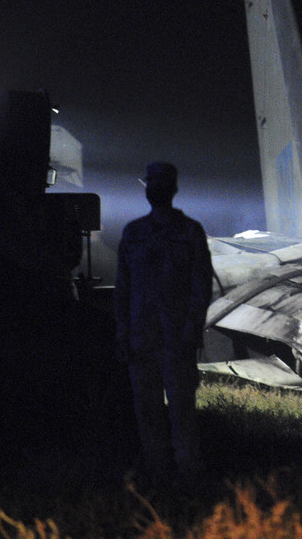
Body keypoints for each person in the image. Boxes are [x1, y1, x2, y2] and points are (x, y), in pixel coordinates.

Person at [114, 162, 213, 480]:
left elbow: (201, 286)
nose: (153, 189)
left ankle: (187, 472)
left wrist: (192, 329)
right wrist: (123, 333)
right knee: (148, 411)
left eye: (158, 183)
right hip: (143, 339)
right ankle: (157, 470)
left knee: (182, 411)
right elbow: (123, 289)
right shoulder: (134, 234)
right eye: (150, 183)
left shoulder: (190, 233)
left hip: (176, 339)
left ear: (170, 189)